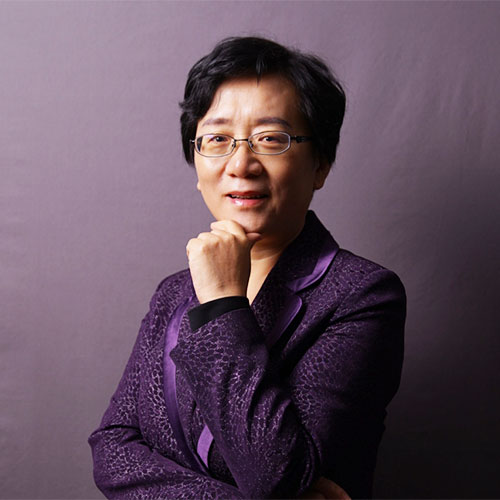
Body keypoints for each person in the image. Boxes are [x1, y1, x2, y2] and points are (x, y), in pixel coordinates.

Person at [88, 36, 406, 499]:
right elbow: (112, 449)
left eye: (270, 139)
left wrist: (221, 303)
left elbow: (275, 476)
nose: (240, 164)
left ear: (320, 165)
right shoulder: (173, 293)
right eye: (217, 139)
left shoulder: (362, 295)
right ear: (196, 163)